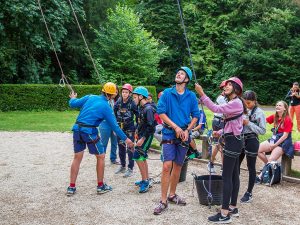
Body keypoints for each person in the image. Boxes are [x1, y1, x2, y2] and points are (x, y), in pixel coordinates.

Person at [66, 82, 134, 196]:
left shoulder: (90, 97)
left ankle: (71, 187)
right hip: (89, 131)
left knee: (77, 157)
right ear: (112, 95)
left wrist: (73, 98)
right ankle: (100, 186)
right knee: (101, 156)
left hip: (77, 129)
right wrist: (127, 140)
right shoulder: (106, 107)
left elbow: (73, 104)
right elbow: (115, 127)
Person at [195, 77, 246, 224]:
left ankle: (224, 214)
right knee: (234, 175)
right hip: (235, 141)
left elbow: (216, 109)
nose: (226, 87)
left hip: (232, 143)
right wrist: (222, 131)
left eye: (229, 85)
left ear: (236, 88)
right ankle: (233, 207)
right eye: (225, 85)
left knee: (226, 177)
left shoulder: (235, 102)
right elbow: (235, 124)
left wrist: (202, 94)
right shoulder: (236, 103)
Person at [154, 66, 200, 215]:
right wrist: (175, 127)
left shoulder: (191, 96)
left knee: (178, 166)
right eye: (178, 72)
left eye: (182, 74)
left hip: (184, 134)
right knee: (167, 166)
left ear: (187, 79)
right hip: (169, 132)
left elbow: (195, 115)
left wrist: (187, 130)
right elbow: (161, 112)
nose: (178, 74)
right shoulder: (167, 93)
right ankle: (163, 201)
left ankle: (172, 195)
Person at [239, 90, 266, 203]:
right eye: (245, 103)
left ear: (254, 101)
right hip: (240, 140)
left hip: (252, 140)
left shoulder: (259, 112)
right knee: (235, 165)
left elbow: (263, 130)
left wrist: (248, 123)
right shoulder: (241, 109)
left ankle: (249, 193)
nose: (247, 106)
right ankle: (234, 187)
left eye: (249, 103)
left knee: (251, 167)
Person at [256, 100, 294, 181]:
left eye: (280, 105)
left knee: (271, 159)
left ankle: (261, 176)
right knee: (257, 149)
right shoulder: (275, 116)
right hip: (275, 138)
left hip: (284, 142)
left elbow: (285, 136)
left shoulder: (288, 119)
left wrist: (274, 145)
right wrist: (256, 119)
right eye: (277, 105)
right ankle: (267, 165)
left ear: (285, 109)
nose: (277, 106)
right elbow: (264, 121)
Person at [132, 86, 156, 193]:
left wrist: (143, 138)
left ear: (141, 96)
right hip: (141, 135)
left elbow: (151, 126)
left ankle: (145, 181)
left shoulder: (149, 109)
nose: (133, 99)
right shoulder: (141, 108)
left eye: (135, 97)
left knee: (137, 156)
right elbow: (141, 122)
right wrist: (137, 130)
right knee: (142, 157)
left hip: (146, 136)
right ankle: (145, 179)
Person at [114, 83, 139, 177]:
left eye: (126, 92)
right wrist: (115, 125)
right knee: (120, 147)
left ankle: (130, 168)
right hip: (120, 128)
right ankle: (123, 165)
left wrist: (136, 127)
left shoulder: (132, 103)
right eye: (123, 92)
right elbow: (114, 112)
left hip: (130, 128)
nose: (124, 94)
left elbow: (138, 116)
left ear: (130, 93)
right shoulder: (118, 102)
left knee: (130, 148)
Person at [207, 81, 227, 173]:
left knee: (220, 144)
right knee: (221, 144)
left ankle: (212, 162)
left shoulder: (225, 98)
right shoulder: (222, 98)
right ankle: (222, 166)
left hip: (221, 121)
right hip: (219, 121)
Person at [99, 86, 120, 164]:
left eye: (117, 92)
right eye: (114, 92)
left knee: (114, 142)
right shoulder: (104, 101)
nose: (115, 94)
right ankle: (101, 158)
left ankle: (113, 158)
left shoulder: (117, 101)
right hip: (105, 124)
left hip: (114, 124)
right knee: (104, 143)